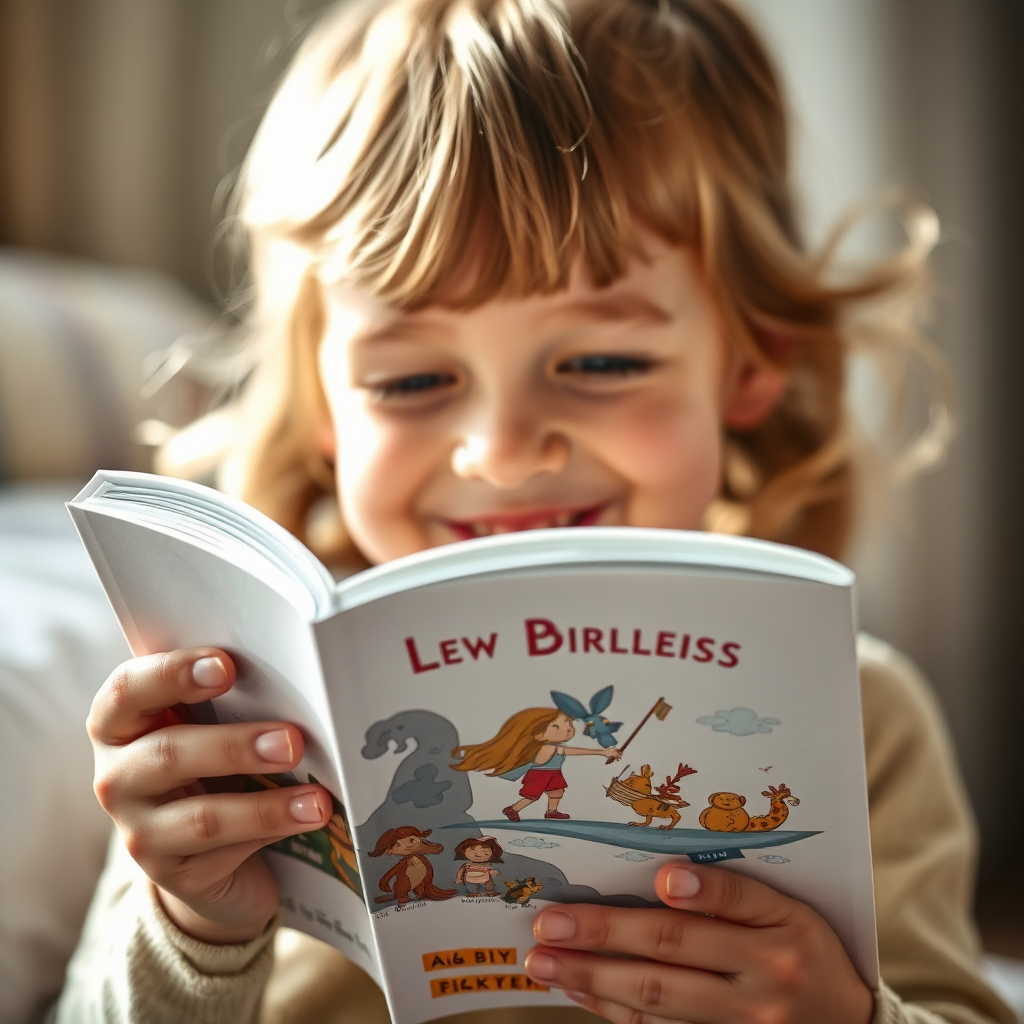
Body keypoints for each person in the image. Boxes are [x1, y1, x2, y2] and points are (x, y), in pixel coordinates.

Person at [55, 1, 1013, 1023]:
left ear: (748, 366)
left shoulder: (861, 716)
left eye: (601, 362)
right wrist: (192, 922)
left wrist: (846, 1014)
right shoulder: (245, 716)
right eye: (413, 380)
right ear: (324, 408)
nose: (502, 451)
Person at [451, 707, 622, 821]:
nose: (569, 727)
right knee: (531, 796)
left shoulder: (553, 746)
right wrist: (601, 752)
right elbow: (571, 752)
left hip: (553, 772)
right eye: (557, 725)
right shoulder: (548, 747)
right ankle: (512, 809)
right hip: (539, 774)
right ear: (539, 734)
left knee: (557, 791)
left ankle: (551, 812)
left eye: (569, 722)